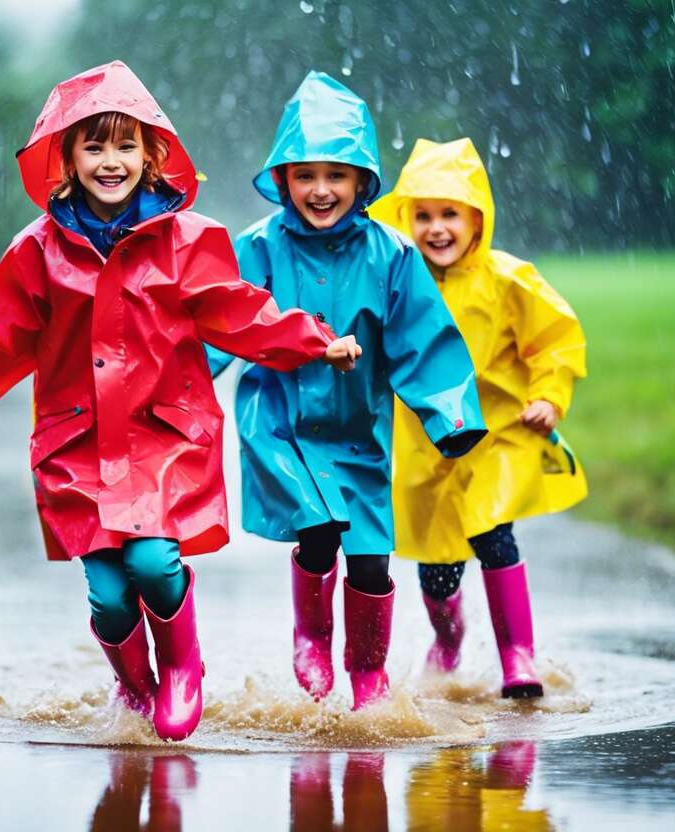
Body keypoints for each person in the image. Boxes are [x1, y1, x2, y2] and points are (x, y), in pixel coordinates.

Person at [0, 61, 361, 741]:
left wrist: (312, 340)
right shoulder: (36, 253)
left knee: (152, 560)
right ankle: (134, 685)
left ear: (151, 155)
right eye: (94, 145)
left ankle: (182, 668)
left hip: (160, 436)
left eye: (125, 145)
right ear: (67, 156)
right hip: (76, 443)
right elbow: (1, 342)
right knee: (109, 595)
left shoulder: (188, 242)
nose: (110, 161)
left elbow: (240, 313)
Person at [206, 72, 486, 711]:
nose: (320, 189)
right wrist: (171, 390)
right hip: (278, 420)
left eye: (337, 174)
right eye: (305, 174)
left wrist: (449, 414)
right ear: (282, 179)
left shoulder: (391, 255)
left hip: (359, 428)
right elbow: (223, 324)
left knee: (369, 560)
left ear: (363, 181)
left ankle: (367, 672)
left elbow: (423, 337)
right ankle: (311, 637)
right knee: (319, 533)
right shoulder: (257, 248)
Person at [371, 137, 588, 698]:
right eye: (422, 215)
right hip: (427, 445)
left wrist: (549, 396)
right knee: (437, 568)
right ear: (405, 219)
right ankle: (448, 641)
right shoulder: (398, 281)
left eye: (449, 214)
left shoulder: (509, 279)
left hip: (499, 435)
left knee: (493, 533)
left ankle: (519, 659)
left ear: (476, 219)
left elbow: (554, 342)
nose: (436, 228)